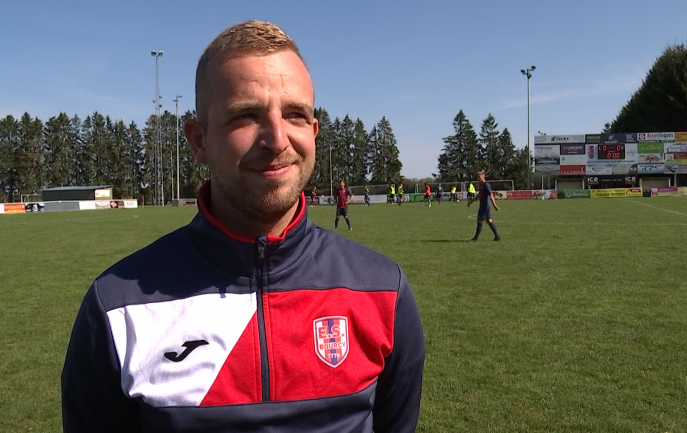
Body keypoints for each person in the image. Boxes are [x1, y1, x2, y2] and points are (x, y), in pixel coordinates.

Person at [61, 21, 425, 433]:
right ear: (198, 141)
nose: (277, 138)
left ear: (314, 132)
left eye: (295, 115)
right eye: (246, 115)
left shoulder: (383, 291)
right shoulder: (115, 307)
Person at [467, 171, 501, 242]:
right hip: (484, 206)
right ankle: (497, 236)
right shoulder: (481, 185)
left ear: (483, 176)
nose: (477, 178)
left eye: (479, 177)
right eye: (477, 177)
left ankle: (475, 239)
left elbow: (491, 194)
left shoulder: (486, 185)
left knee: (479, 220)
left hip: (485, 207)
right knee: (489, 221)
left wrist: (494, 205)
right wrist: (472, 201)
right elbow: (479, 195)